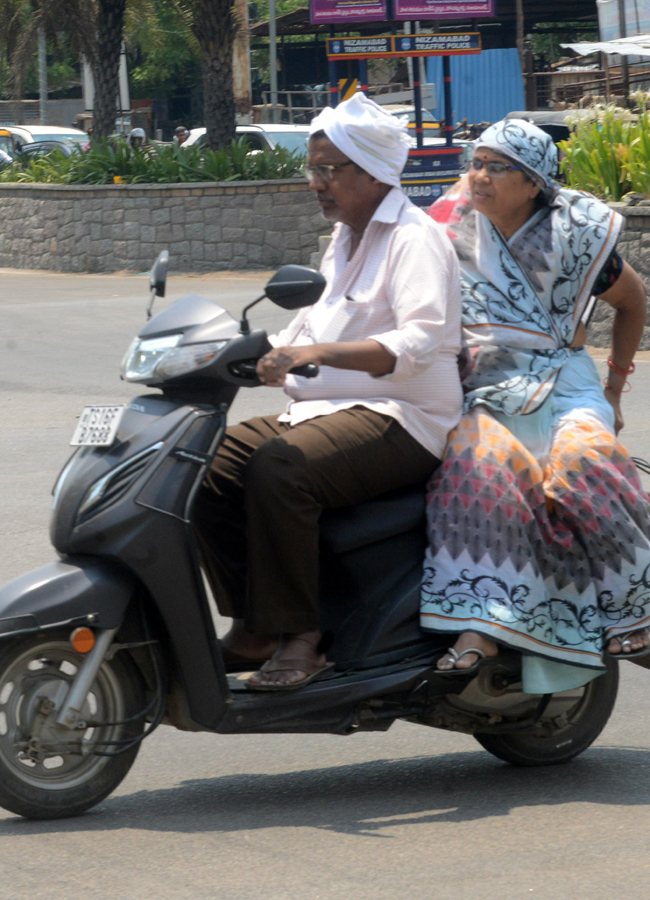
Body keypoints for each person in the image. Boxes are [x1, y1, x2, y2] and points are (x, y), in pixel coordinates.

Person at [193, 93, 463, 690]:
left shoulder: (414, 239)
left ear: (373, 173)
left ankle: (301, 638)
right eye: (312, 170)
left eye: (328, 171)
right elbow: (307, 327)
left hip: (407, 417)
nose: (315, 183)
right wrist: (235, 351)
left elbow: (419, 341)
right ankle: (254, 625)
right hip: (324, 410)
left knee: (280, 469)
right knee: (203, 461)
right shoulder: (343, 241)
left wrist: (315, 354)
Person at [420, 118, 650, 692]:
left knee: (586, 465)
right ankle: (481, 625)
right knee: (475, 472)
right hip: (488, 389)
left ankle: (635, 607)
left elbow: (634, 301)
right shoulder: (448, 234)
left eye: (498, 168)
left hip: (566, 382)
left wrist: (615, 388)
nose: (479, 176)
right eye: (476, 162)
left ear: (533, 184)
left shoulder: (573, 237)